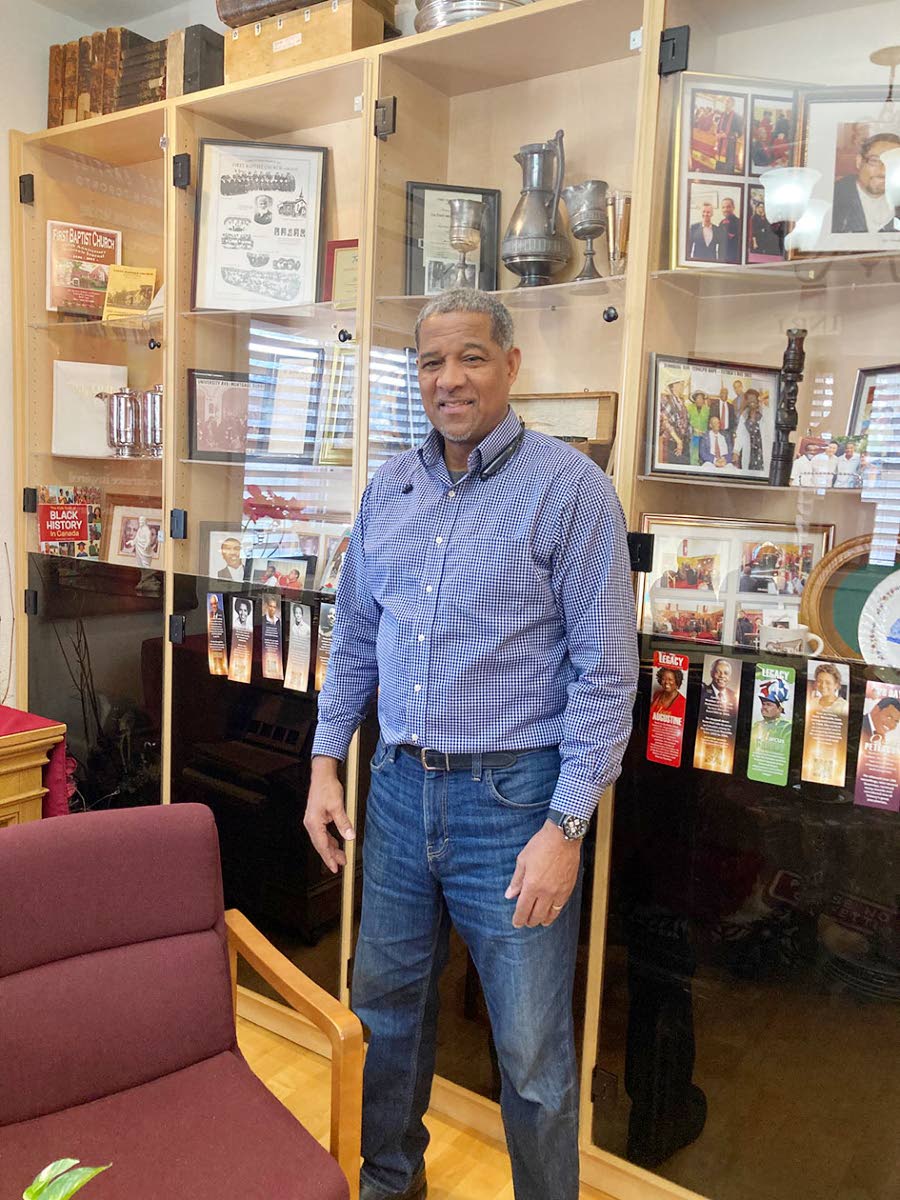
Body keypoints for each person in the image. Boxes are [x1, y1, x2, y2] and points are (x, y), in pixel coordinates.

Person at [303, 289, 638, 1200]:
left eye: (472, 358)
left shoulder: (572, 492)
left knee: (530, 1054)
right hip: (398, 791)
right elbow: (359, 639)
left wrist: (565, 828)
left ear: (511, 366)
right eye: (431, 362)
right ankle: (388, 1181)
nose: (449, 379)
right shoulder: (392, 487)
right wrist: (326, 762)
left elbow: (607, 676)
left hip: (514, 806)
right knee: (384, 1019)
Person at [832, 132, 900, 234]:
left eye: (893, 163)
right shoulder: (833, 197)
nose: (884, 171)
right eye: (875, 161)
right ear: (859, 161)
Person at [659, 378, 692, 464]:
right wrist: (678, 441)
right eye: (680, 384)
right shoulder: (666, 399)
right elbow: (666, 422)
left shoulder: (681, 402)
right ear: (673, 386)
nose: (682, 386)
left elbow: (686, 423)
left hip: (683, 441)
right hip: (672, 442)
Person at [732, 390, 765, 472]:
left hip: (762, 450)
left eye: (753, 398)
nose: (751, 401)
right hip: (749, 451)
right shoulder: (744, 416)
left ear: (757, 400)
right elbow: (740, 434)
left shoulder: (763, 414)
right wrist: (736, 452)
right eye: (749, 398)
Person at [715, 95, 743, 173]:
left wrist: (727, 135)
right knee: (719, 166)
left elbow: (739, 133)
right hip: (720, 143)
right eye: (725, 101)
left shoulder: (737, 117)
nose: (726, 103)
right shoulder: (722, 115)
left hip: (730, 146)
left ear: (733, 104)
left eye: (728, 102)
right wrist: (717, 133)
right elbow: (718, 127)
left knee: (727, 168)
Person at [685, 390, 709, 464]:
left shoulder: (707, 409)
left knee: (704, 455)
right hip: (693, 435)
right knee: (694, 455)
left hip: (704, 436)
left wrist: (705, 432)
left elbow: (709, 423)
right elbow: (686, 421)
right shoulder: (689, 408)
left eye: (701, 398)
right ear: (695, 399)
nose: (699, 400)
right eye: (697, 398)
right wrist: (694, 429)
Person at [718, 196, 741, 264]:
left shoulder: (739, 222)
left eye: (728, 207)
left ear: (733, 207)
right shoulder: (721, 223)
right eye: (723, 207)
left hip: (734, 260)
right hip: (721, 259)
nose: (725, 209)